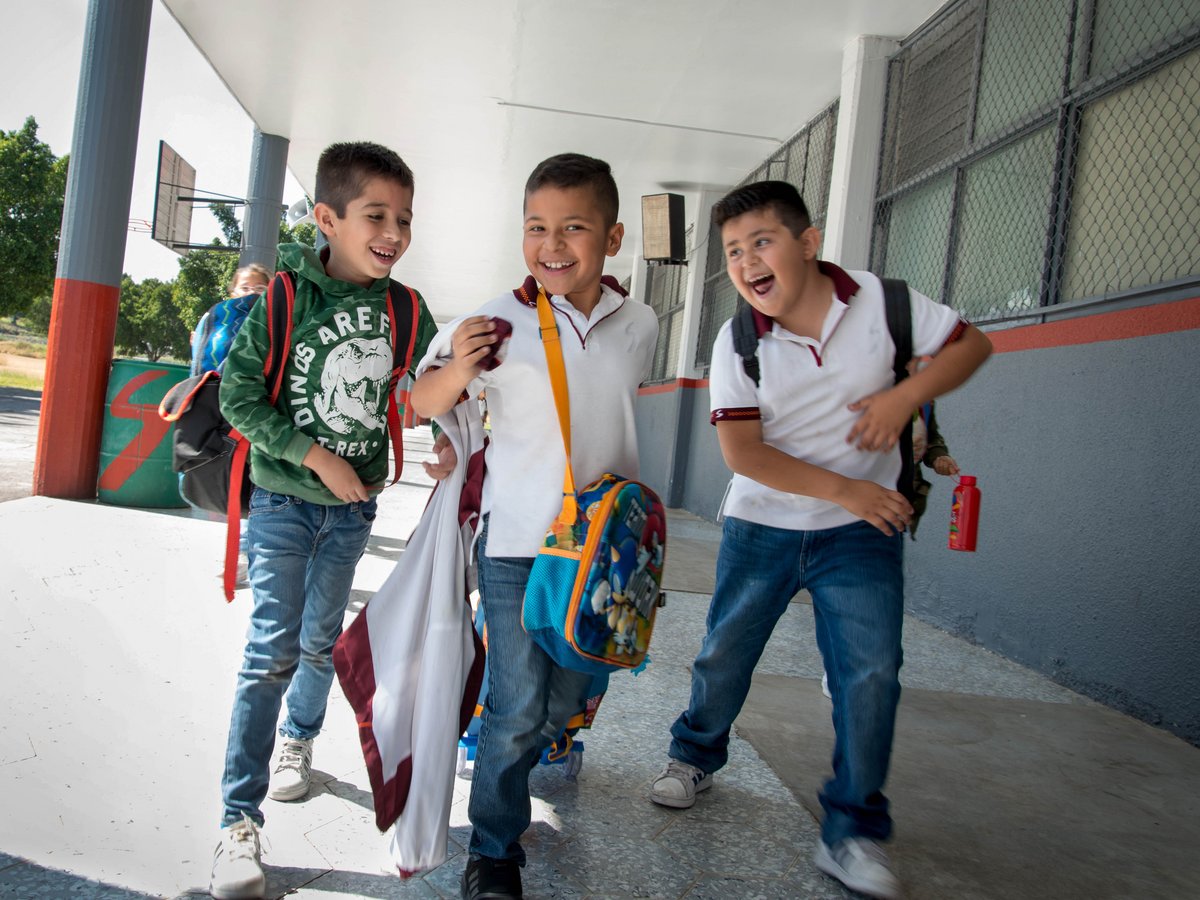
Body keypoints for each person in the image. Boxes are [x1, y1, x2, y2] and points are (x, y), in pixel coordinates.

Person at [648, 181, 991, 900]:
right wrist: (848, 489)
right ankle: (695, 756)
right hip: (763, 524)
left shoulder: (887, 305)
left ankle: (853, 832)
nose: (746, 262)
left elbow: (971, 345)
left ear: (808, 243)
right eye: (733, 251)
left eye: (761, 242)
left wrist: (903, 398)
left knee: (871, 673)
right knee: (725, 651)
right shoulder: (738, 339)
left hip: (861, 535)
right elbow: (743, 453)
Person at [410, 152, 658, 900]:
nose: (552, 244)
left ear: (612, 238)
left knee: (571, 692)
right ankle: (493, 850)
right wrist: (457, 378)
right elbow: (424, 398)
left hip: (605, 554)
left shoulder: (640, 322)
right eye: (536, 227)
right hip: (519, 543)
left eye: (573, 228)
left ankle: (527, 758)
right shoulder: (495, 320)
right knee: (517, 704)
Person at [208, 141, 444, 900]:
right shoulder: (282, 299)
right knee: (272, 649)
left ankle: (297, 744)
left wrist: (446, 441)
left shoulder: (406, 310)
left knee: (318, 643)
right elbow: (240, 399)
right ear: (327, 219)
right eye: (376, 215)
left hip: (350, 514)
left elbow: (423, 395)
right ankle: (235, 822)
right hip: (282, 501)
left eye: (403, 218)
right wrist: (315, 456)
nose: (394, 231)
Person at [186, 263, 273, 587]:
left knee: (256, 486)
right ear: (232, 292)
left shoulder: (272, 322)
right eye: (245, 288)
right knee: (239, 488)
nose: (252, 294)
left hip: (260, 417)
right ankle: (244, 556)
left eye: (260, 289)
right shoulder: (217, 322)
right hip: (223, 417)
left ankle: (245, 557)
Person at [909, 395, 960, 538]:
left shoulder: (924, 398)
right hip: (867, 507)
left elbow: (930, 438)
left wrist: (939, 457)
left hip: (905, 507)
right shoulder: (870, 392)